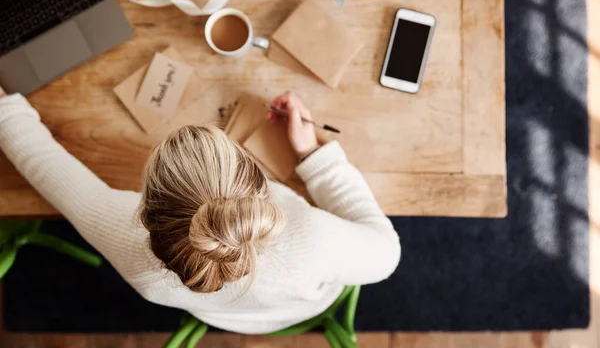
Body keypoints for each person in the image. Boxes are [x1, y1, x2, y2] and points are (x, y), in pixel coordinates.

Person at [0, 87, 400, 334]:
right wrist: (314, 154)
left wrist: (6, 111)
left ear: (144, 208)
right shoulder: (316, 239)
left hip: (221, 316)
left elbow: (43, 162)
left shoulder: (126, 241)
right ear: (258, 186)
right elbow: (387, 254)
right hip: (302, 305)